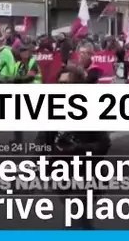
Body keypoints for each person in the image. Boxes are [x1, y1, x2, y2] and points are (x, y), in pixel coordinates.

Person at [35, 65, 111, 230]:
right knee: (80, 220)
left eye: (67, 84)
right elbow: (42, 140)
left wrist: (78, 148)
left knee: (75, 218)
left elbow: (104, 144)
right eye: (60, 83)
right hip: (60, 174)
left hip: (86, 174)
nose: (62, 88)